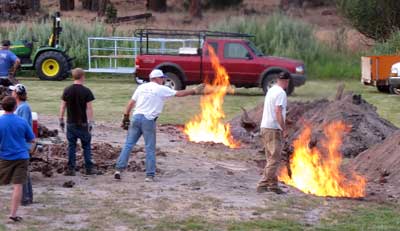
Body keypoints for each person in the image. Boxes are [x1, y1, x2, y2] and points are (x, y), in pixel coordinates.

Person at [114, 69, 204, 182]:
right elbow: (180, 93)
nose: (163, 80)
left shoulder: (141, 87)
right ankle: (149, 175)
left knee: (128, 145)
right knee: (149, 148)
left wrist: (125, 118)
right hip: (148, 120)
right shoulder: (161, 89)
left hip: (136, 118)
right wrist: (194, 91)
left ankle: (118, 170)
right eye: (162, 78)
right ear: (157, 78)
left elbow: (131, 103)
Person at [59, 68, 101, 176]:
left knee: (71, 146)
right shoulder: (86, 91)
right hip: (83, 123)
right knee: (86, 146)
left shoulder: (67, 90)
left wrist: (61, 119)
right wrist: (91, 122)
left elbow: (63, 106)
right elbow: (89, 108)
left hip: (71, 123)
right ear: (82, 77)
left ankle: (71, 169)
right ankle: (89, 168)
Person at [0, 96, 35, 222]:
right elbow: (31, 138)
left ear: (2, 107)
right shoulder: (22, 121)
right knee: (18, 185)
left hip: (4, 157)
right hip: (21, 157)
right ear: (15, 107)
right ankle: (13, 214)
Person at [257, 71, 290, 194]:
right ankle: (262, 184)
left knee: (270, 157)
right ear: (286, 81)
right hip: (273, 129)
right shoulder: (281, 93)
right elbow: (277, 111)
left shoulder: (271, 90)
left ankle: (273, 186)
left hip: (264, 127)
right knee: (275, 159)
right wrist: (283, 128)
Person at [10, 84, 34, 206]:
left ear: (17, 94)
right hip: (21, 143)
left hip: (22, 144)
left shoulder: (23, 108)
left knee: (21, 172)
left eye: (13, 91)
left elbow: (23, 127)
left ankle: (24, 197)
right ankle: (27, 197)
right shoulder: (20, 107)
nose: (11, 93)